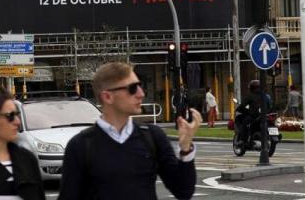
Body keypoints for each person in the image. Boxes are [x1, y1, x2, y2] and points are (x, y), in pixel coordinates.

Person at [59, 61, 200, 200]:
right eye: (132, 88)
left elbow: (183, 191)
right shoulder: (81, 146)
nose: (141, 94)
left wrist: (186, 149)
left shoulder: (152, 137)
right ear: (108, 96)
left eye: (140, 86)